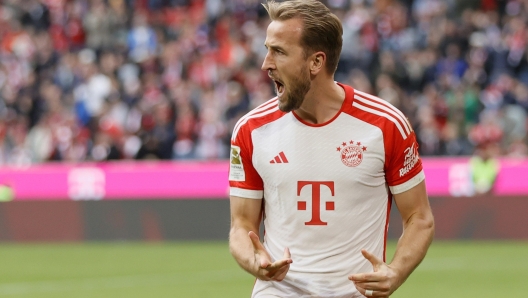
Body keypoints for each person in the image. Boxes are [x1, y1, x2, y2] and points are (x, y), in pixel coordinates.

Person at [228, 1, 435, 297]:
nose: (266, 63)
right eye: (267, 49)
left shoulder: (385, 125)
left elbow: (420, 218)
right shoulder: (250, 130)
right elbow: (241, 225)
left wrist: (396, 271)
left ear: (316, 62)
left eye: (279, 51)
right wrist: (255, 261)